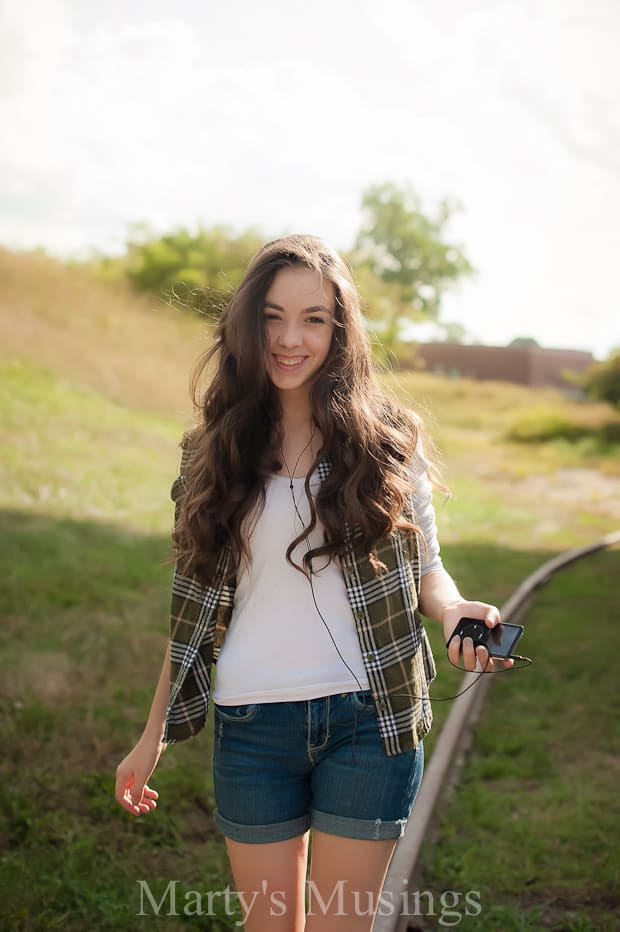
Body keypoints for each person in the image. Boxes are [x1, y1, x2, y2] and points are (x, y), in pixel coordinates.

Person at [115, 234, 511, 932]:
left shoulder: (389, 440)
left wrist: (452, 613)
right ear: (247, 323)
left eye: (313, 318)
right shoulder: (213, 450)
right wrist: (153, 736)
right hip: (251, 724)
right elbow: (191, 614)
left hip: (369, 720)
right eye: (271, 316)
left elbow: (425, 567)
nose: (289, 339)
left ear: (341, 328)